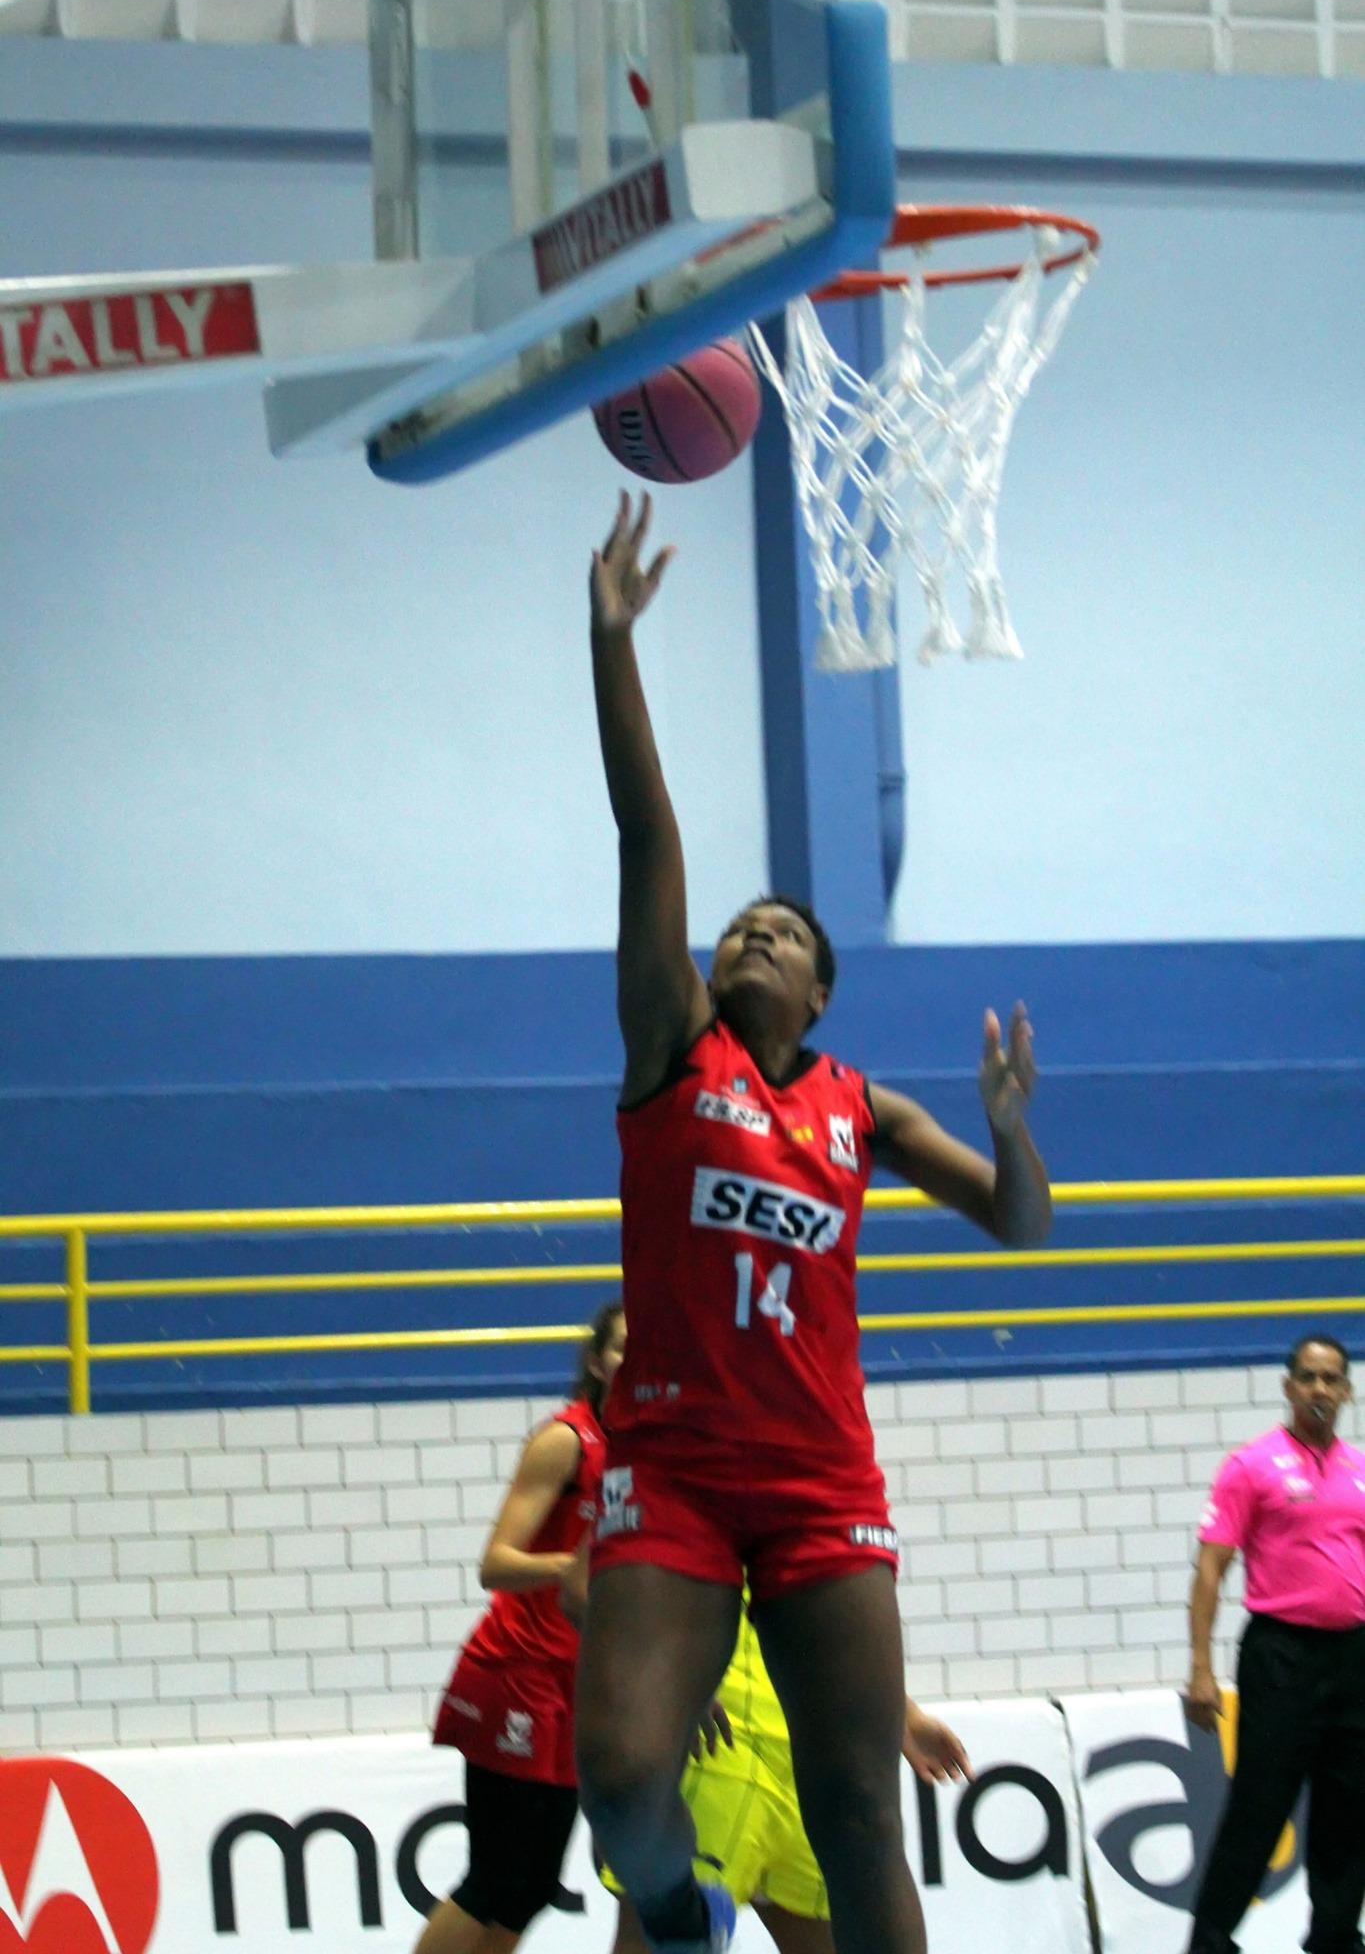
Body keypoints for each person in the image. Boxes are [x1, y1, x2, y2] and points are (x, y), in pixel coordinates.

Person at [574, 492, 1052, 1954]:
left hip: (817, 1478)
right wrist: (612, 651)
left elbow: (1021, 1230)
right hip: (676, 1471)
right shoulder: (675, 1052)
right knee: (622, 1779)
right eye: (737, 929)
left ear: (823, 992)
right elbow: (645, 835)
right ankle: (672, 1909)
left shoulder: (864, 1110)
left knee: (858, 1811)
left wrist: (1011, 1124)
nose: (747, 937)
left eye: (779, 933)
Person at [416, 1299, 627, 1954]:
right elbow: (495, 1563)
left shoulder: (650, 1449)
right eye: (623, 1347)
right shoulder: (567, 1440)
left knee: (534, 1884)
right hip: (516, 1671)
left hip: (572, 1685)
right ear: (597, 1361)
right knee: (495, 1878)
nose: (638, 1360)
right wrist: (574, 1565)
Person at [600, 1599, 974, 1954]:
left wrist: (902, 1712)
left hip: (805, 1761)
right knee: (659, 1939)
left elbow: (825, 1614)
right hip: (719, 1748)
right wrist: (673, 1681)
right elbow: (587, 1589)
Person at [1181, 1332, 1365, 1954]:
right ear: (1288, 1388)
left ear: (1347, 1390)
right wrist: (1201, 1670)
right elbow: (1210, 1571)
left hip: (1353, 1659)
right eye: (1308, 1378)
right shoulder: (1251, 1465)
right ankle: (1210, 1941)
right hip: (1281, 1657)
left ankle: (1335, 1937)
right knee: (1260, 1807)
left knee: (1349, 1809)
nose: (1319, 1390)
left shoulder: (1359, 1470)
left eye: (1331, 1379)